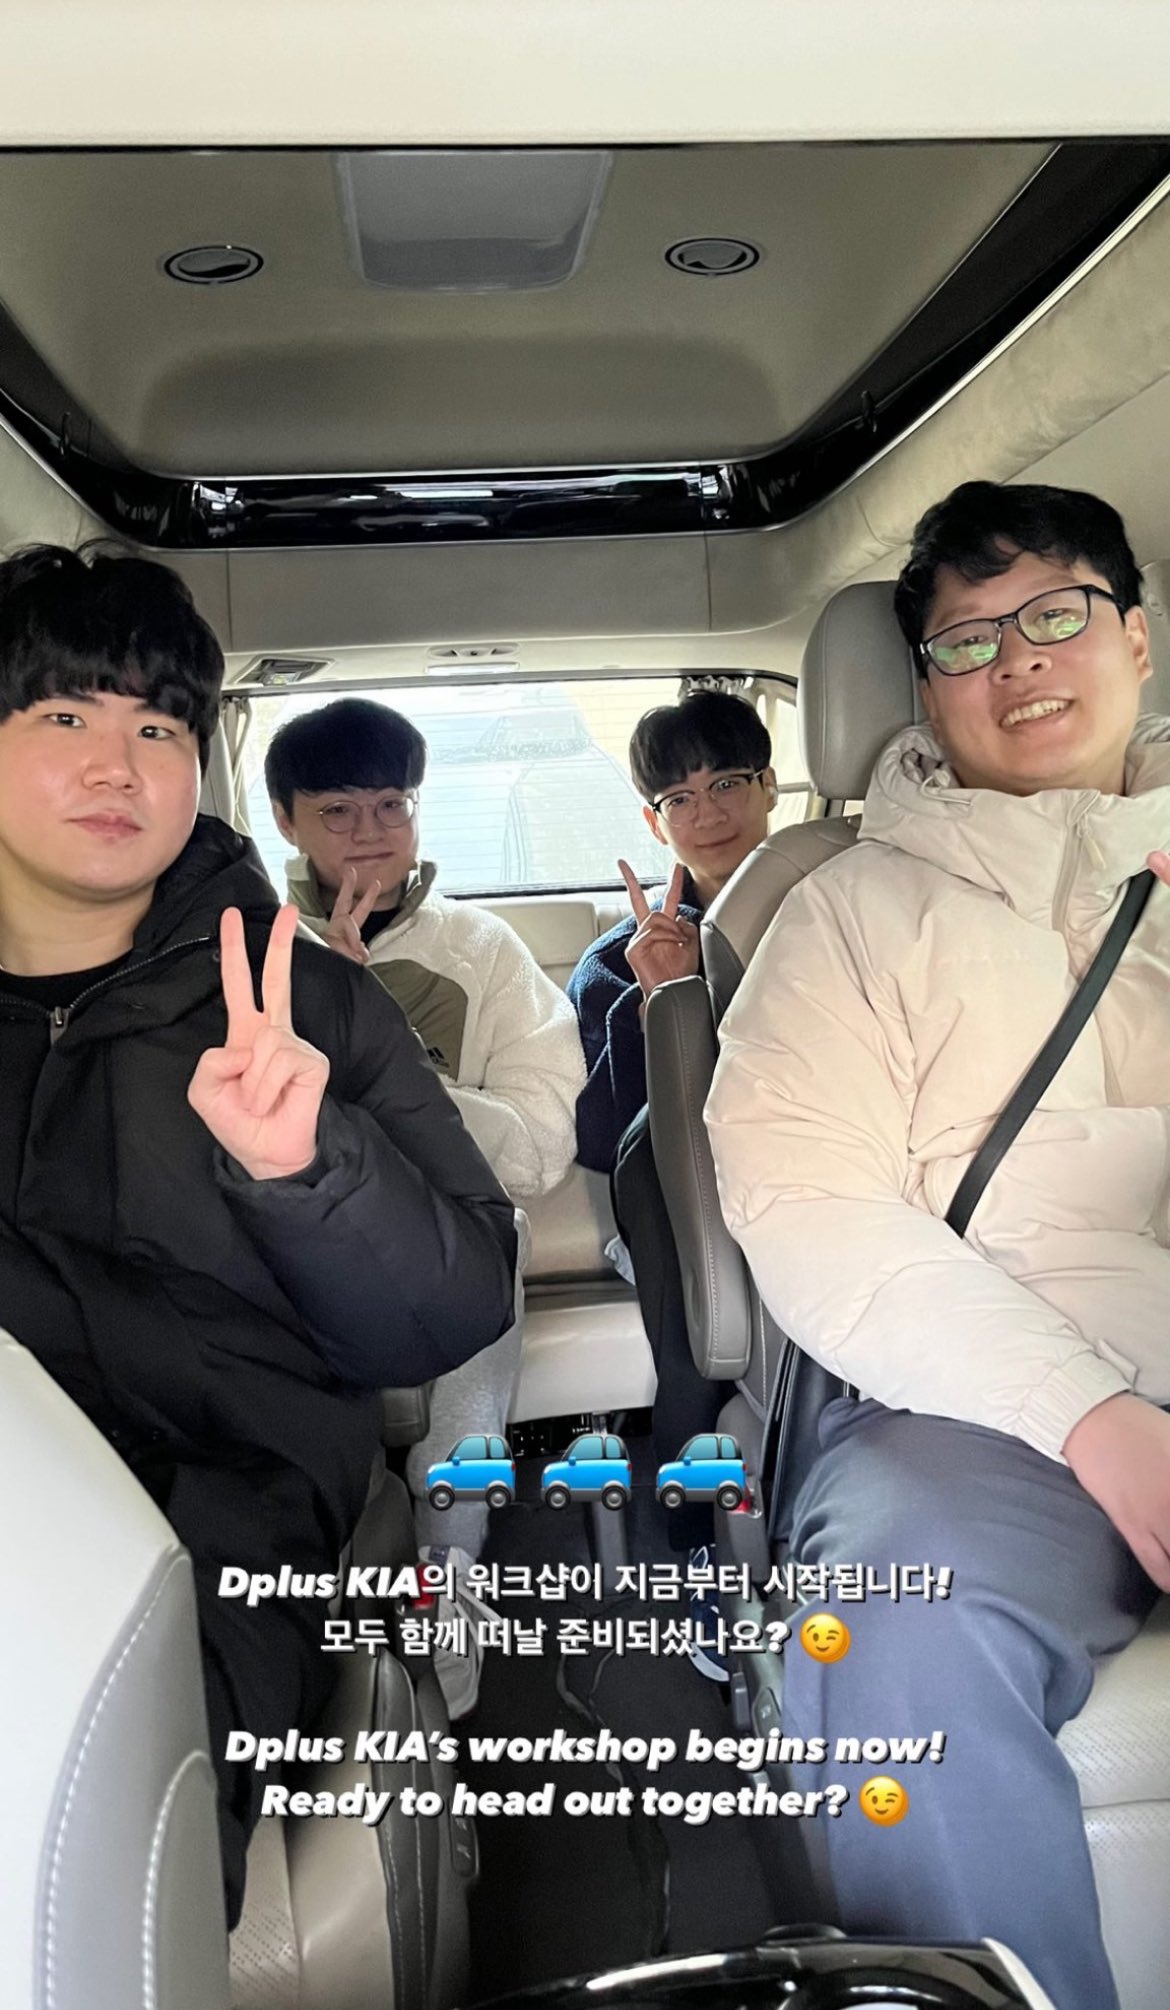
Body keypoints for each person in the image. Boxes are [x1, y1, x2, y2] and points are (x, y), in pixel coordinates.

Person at [0, 545, 518, 1925]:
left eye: (158, 728)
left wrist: (307, 1166)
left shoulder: (303, 1000)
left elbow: (460, 1305)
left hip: (229, 1490)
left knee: (95, 1819)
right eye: (65, 714)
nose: (116, 766)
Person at [705, 480, 1170, 2010]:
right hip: (973, 1408)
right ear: (921, 688)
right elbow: (813, 1212)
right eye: (968, 637)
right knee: (899, 1607)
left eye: (1056, 613)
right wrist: (1090, 1415)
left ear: (1135, 638)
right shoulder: (838, 914)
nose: (1016, 656)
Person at [264, 699, 583, 1630]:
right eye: (337, 811)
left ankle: (449, 1569)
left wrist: (379, 1044)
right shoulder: (250, 953)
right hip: (285, 1222)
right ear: (285, 820)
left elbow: (539, 1149)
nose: (371, 833)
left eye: (392, 805)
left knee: (493, 1240)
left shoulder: (482, 951)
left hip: (442, 1223)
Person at [567, 690, 776, 1643]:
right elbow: (605, 1136)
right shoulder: (620, 957)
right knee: (659, 1155)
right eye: (680, 798)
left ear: (770, 786)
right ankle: (697, 1538)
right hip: (684, 1213)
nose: (709, 812)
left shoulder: (832, 910)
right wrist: (667, 1004)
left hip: (808, 1175)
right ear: (655, 823)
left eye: (727, 782)